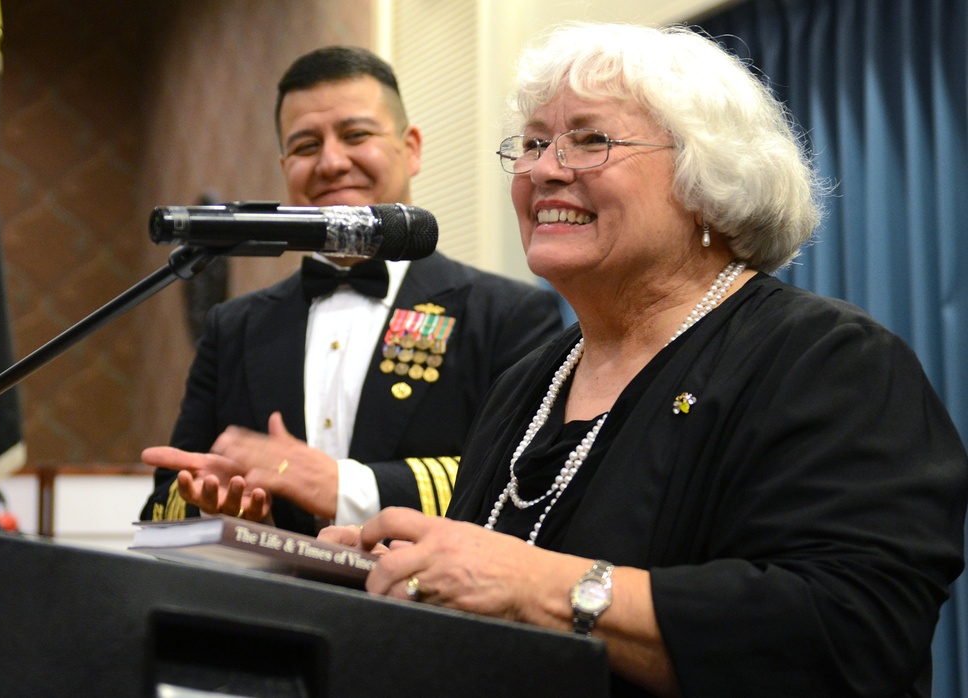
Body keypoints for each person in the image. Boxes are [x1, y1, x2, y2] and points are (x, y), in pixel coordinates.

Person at [309, 23, 965, 697]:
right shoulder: (528, 385)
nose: (544, 170)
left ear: (708, 177)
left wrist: (537, 586)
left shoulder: (829, 361)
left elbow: (850, 633)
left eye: (591, 141)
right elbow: (488, 594)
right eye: (533, 143)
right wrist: (395, 579)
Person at [139, 46, 562, 535]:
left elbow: (526, 484)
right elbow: (165, 499)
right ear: (284, 167)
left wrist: (344, 486)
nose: (331, 162)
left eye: (356, 135)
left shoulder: (509, 314)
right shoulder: (234, 327)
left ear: (412, 148)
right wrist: (215, 505)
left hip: (421, 606)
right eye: (304, 146)